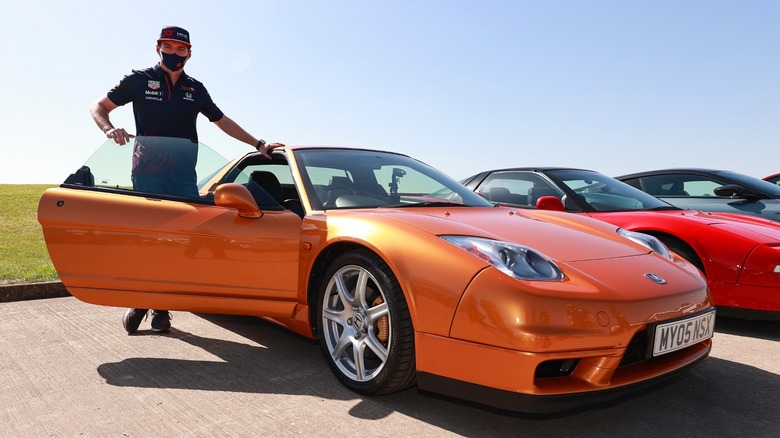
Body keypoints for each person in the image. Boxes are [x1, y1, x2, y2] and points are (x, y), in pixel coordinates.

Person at [90, 25, 283, 335]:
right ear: (158, 47)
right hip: (147, 173)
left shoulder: (196, 88)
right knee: (149, 239)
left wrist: (258, 144)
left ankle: (160, 301)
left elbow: (222, 121)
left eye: (181, 49)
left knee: (179, 241)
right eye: (169, 47)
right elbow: (98, 107)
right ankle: (147, 302)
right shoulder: (138, 80)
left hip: (182, 176)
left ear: (189, 53)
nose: (175, 53)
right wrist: (108, 128)